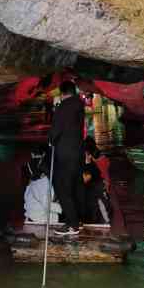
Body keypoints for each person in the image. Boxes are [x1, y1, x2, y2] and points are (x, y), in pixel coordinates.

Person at [48, 80, 85, 236]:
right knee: (75, 187)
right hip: (77, 153)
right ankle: (77, 220)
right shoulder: (79, 105)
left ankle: (72, 225)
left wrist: (50, 140)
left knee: (62, 188)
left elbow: (56, 130)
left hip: (65, 154)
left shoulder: (63, 107)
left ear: (63, 93)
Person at [23, 148, 62, 224]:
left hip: (37, 219)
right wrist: (64, 208)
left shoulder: (35, 180)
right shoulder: (43, 181)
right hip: (38, 221)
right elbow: (46, 203)